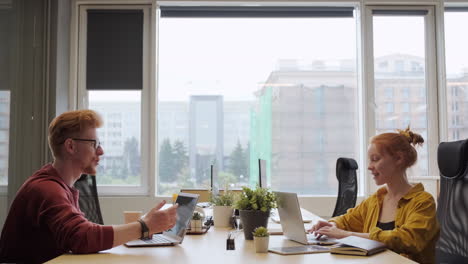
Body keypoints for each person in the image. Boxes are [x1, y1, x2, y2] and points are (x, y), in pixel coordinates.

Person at [0, 110, 179, 263]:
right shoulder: (47, 190)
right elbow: (81, 237)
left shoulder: (59, 185)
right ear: (71, 146)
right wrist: (143, 226)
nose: (101, 151)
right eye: (94, 144)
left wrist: (144, 224)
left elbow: (78, 236)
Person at [310, 127, 439, 264]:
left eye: (375, 159)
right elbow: (348, 220)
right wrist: (331, 224)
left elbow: (408, 239)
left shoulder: (423, 202)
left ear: (399, 159)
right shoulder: (376, 199)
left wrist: (348, 235)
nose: (369, 166)